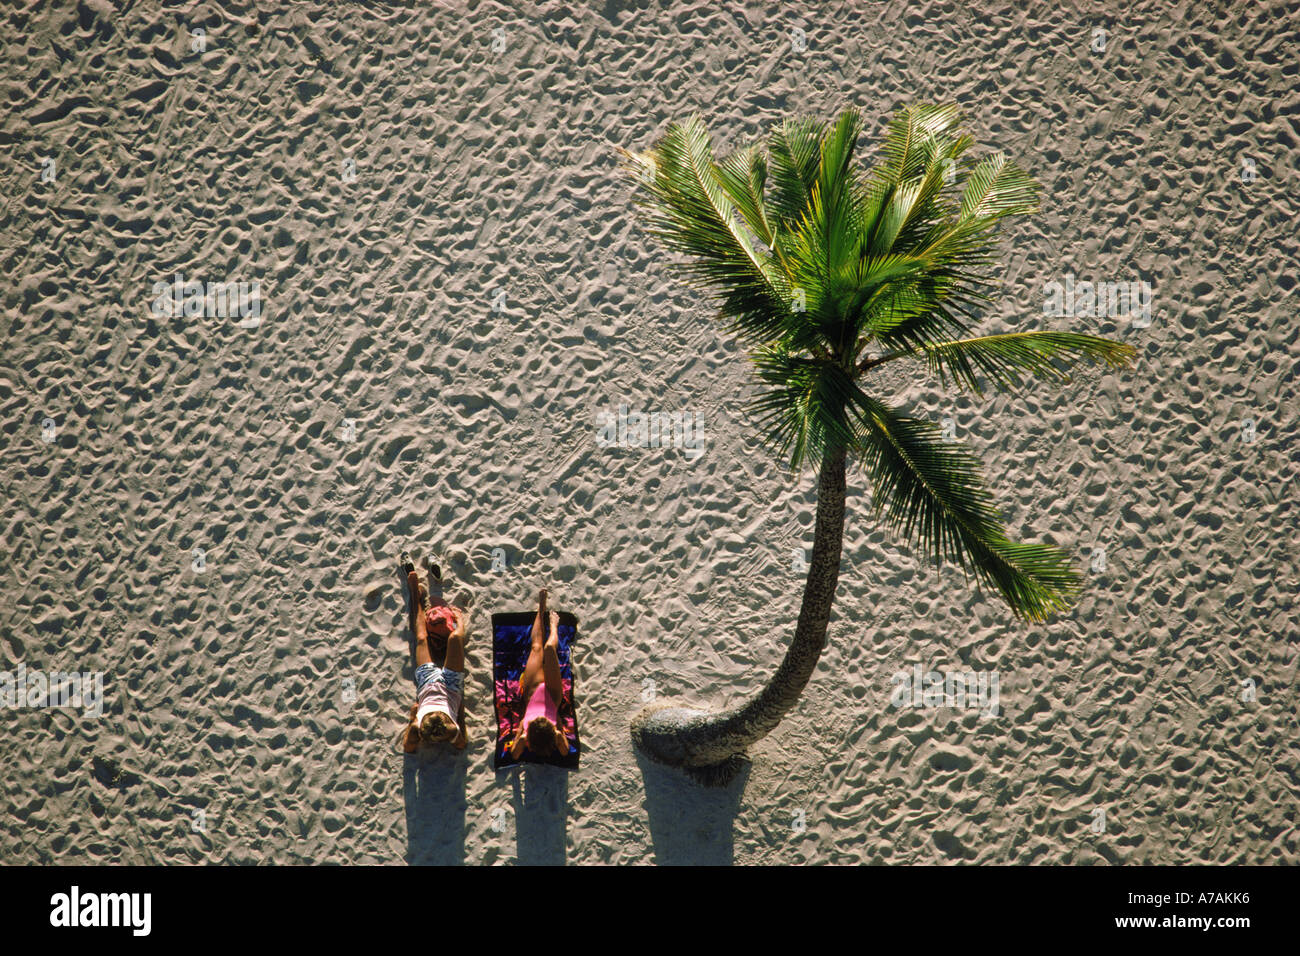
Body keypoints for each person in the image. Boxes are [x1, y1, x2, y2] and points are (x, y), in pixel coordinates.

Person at [401, 558, 468, 752]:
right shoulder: (451, 729)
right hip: (451, 685)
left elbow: (408, 747)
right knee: (455, 639)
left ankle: (415, 595)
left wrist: (413, 718)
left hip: (427, 683)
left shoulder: (417, 728)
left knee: (421, 638)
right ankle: (459, 620)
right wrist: (459, 712)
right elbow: (462, 743)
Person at [508, 588, 571, 760]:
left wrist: (520, 740)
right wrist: (559, 735)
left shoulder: (525, 735)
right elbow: (565, 751)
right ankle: (553, 627)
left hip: (533, 690)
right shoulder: (556, 735)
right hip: (552, 694)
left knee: (536, 647)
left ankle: (541, 609)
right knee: (549, 649)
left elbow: (514, 755)